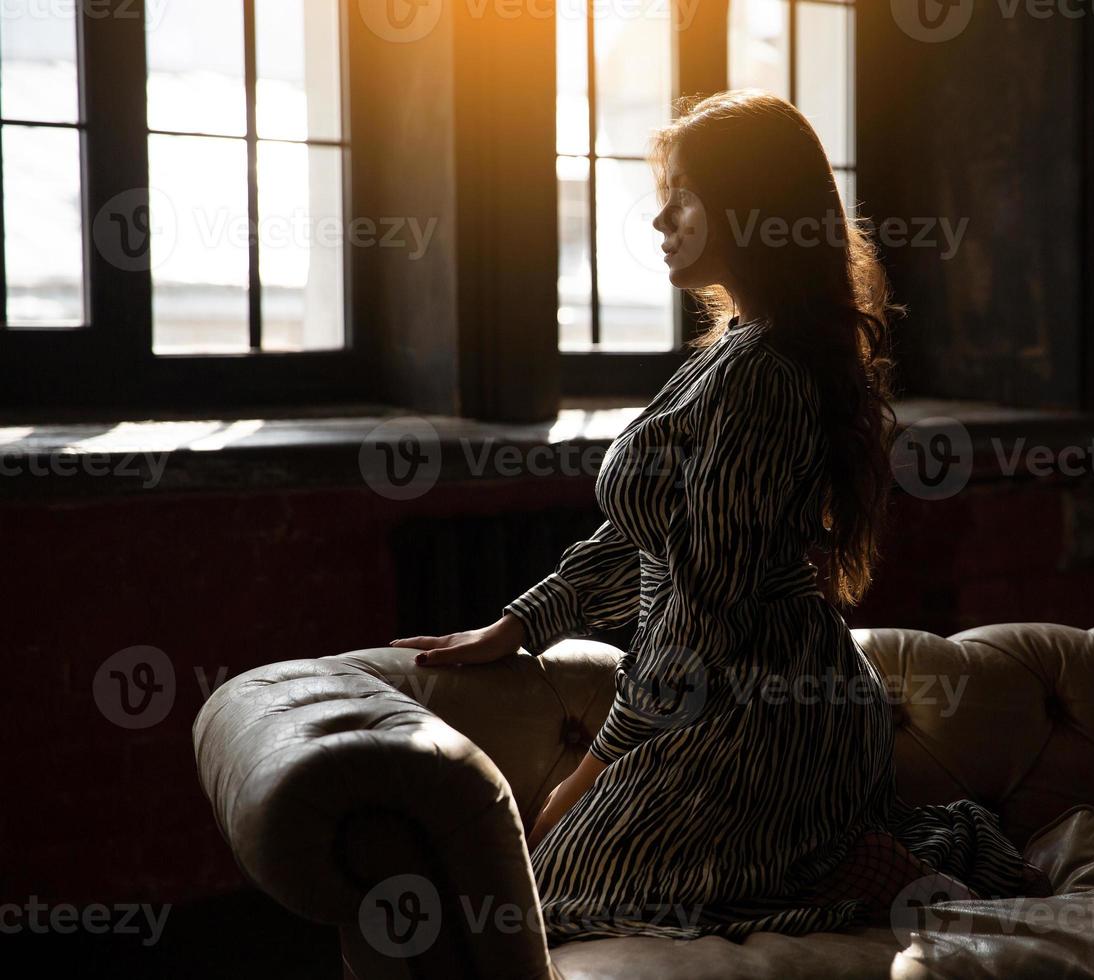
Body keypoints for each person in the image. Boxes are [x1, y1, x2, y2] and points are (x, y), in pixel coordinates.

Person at [391, 89, 1042, 945]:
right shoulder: (742, 348)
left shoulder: (761, 374)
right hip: (741, 699)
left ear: (755, 211)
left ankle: (857, 866)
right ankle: (847, 853)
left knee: (549, 901)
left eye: (686, 192)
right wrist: (519, 624)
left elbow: (704, 608)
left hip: (758, 720)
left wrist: (592, 768)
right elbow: (645, 536)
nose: (660, 216)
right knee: (540, 892)